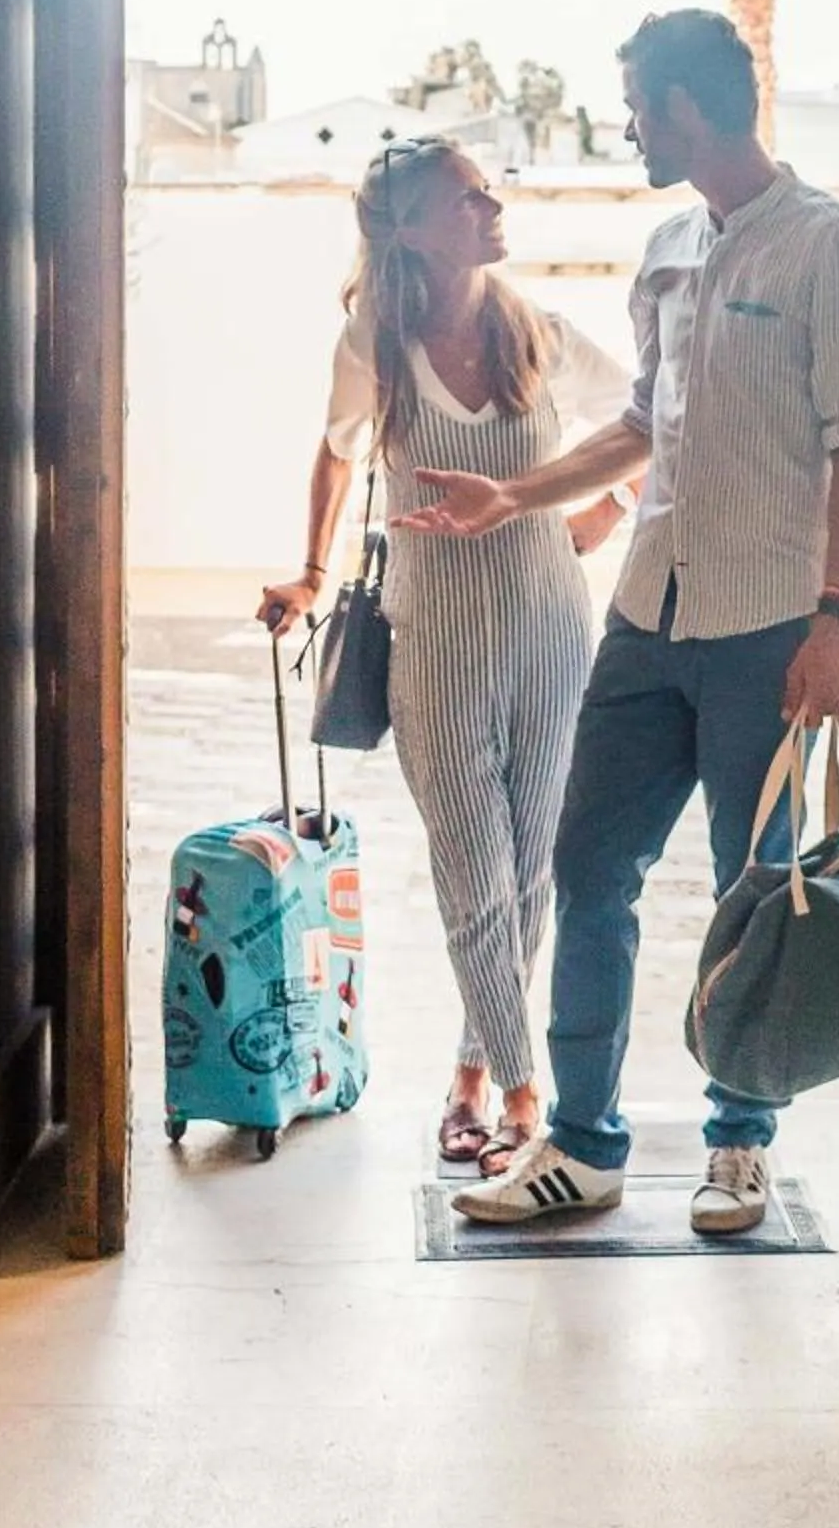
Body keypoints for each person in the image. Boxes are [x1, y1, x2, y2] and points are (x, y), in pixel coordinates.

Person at [400, 10, 839, 1239]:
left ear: (685, 109)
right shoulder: (668, 246)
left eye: (634, 107)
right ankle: (580, 1144)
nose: (624, 127)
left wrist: (832, 623)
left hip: (767, 626)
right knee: (585, 868)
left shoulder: (835, 250)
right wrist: (512, 495)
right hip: (644, 616)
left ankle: (740, 1142)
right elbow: (640, 425)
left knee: (753, 889)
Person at [262, 139, 632, 1177]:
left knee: (528, 874)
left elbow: (654, 420)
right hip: (433, 633)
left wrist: (605, 508)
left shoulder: (540, 334)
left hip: (552, 626)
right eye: (466, 196)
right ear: (410, 229)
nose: (489, 203)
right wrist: (307, 571)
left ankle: (472, 1075)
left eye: (488, 189)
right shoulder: (374, 343)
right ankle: (524, 1101)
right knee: (474, 867)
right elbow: (337, 450)